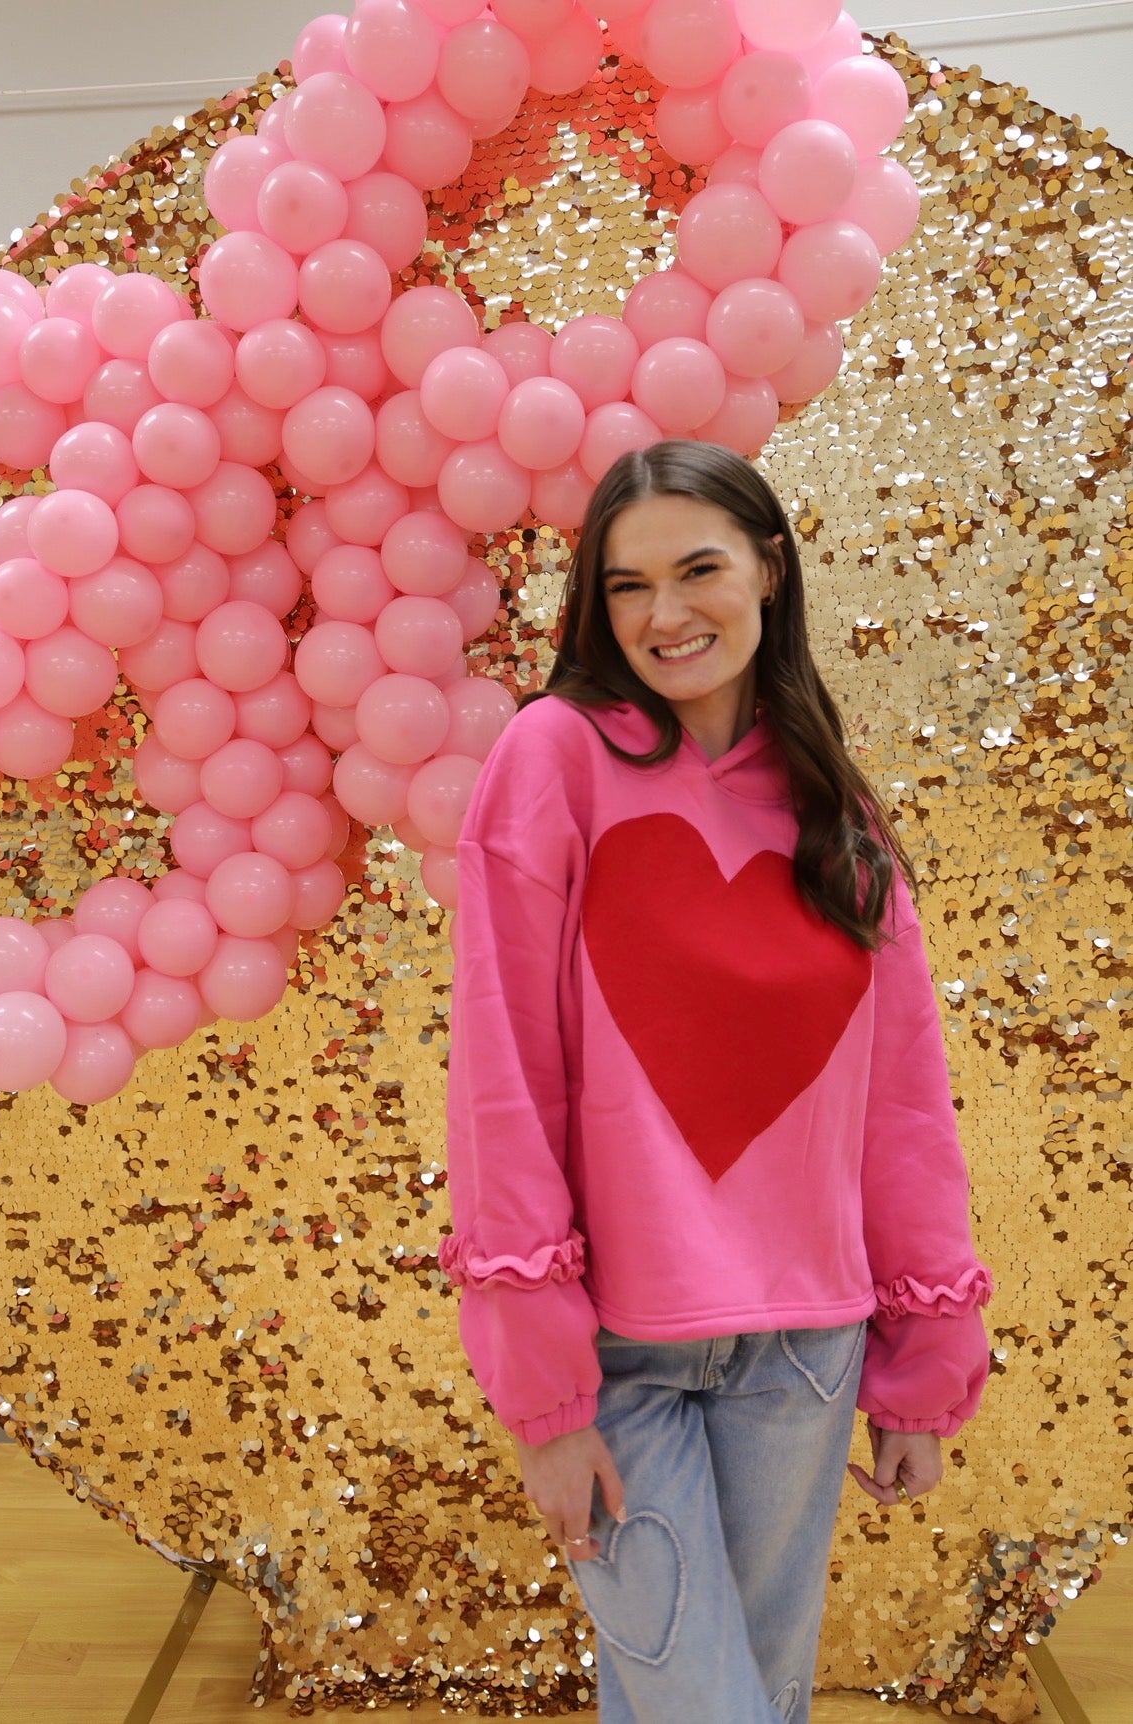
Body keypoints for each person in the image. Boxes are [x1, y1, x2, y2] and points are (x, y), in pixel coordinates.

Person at [438, 441, 992, 1724]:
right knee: (708, 1706)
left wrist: (920, 1355)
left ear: (771, 571)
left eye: (698, 569)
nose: (665, 614)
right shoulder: (553, 758)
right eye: (627, 585)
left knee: (746, 1700)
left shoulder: (834, 806)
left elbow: (903, 1101)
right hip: (620, 1352)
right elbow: (502, 1074)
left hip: (804, 1349)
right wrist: (543, 1386)